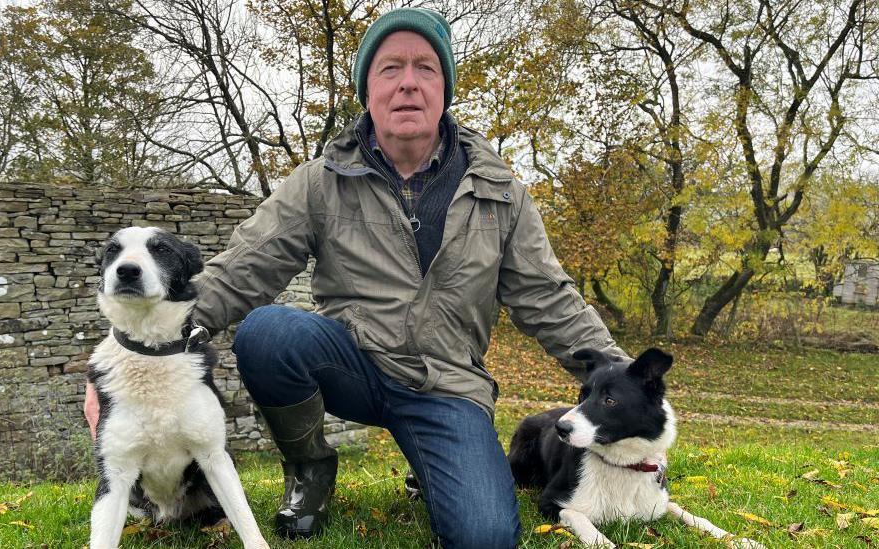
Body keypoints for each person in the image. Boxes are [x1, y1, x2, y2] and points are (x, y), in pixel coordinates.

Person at [84, 8, 626, 548]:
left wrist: (624, 377)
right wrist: (131, 352)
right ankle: (309, 468)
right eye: (390, 68)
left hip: (448, 385)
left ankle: (433, 465)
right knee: (269, 332)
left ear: (445, 89)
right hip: (350, 363)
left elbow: (547, 298)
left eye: (425, 68)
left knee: (483, 535)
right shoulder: (321, 182)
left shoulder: (500, 190)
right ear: (368, 89)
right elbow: (242, 269)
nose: (408, 82)